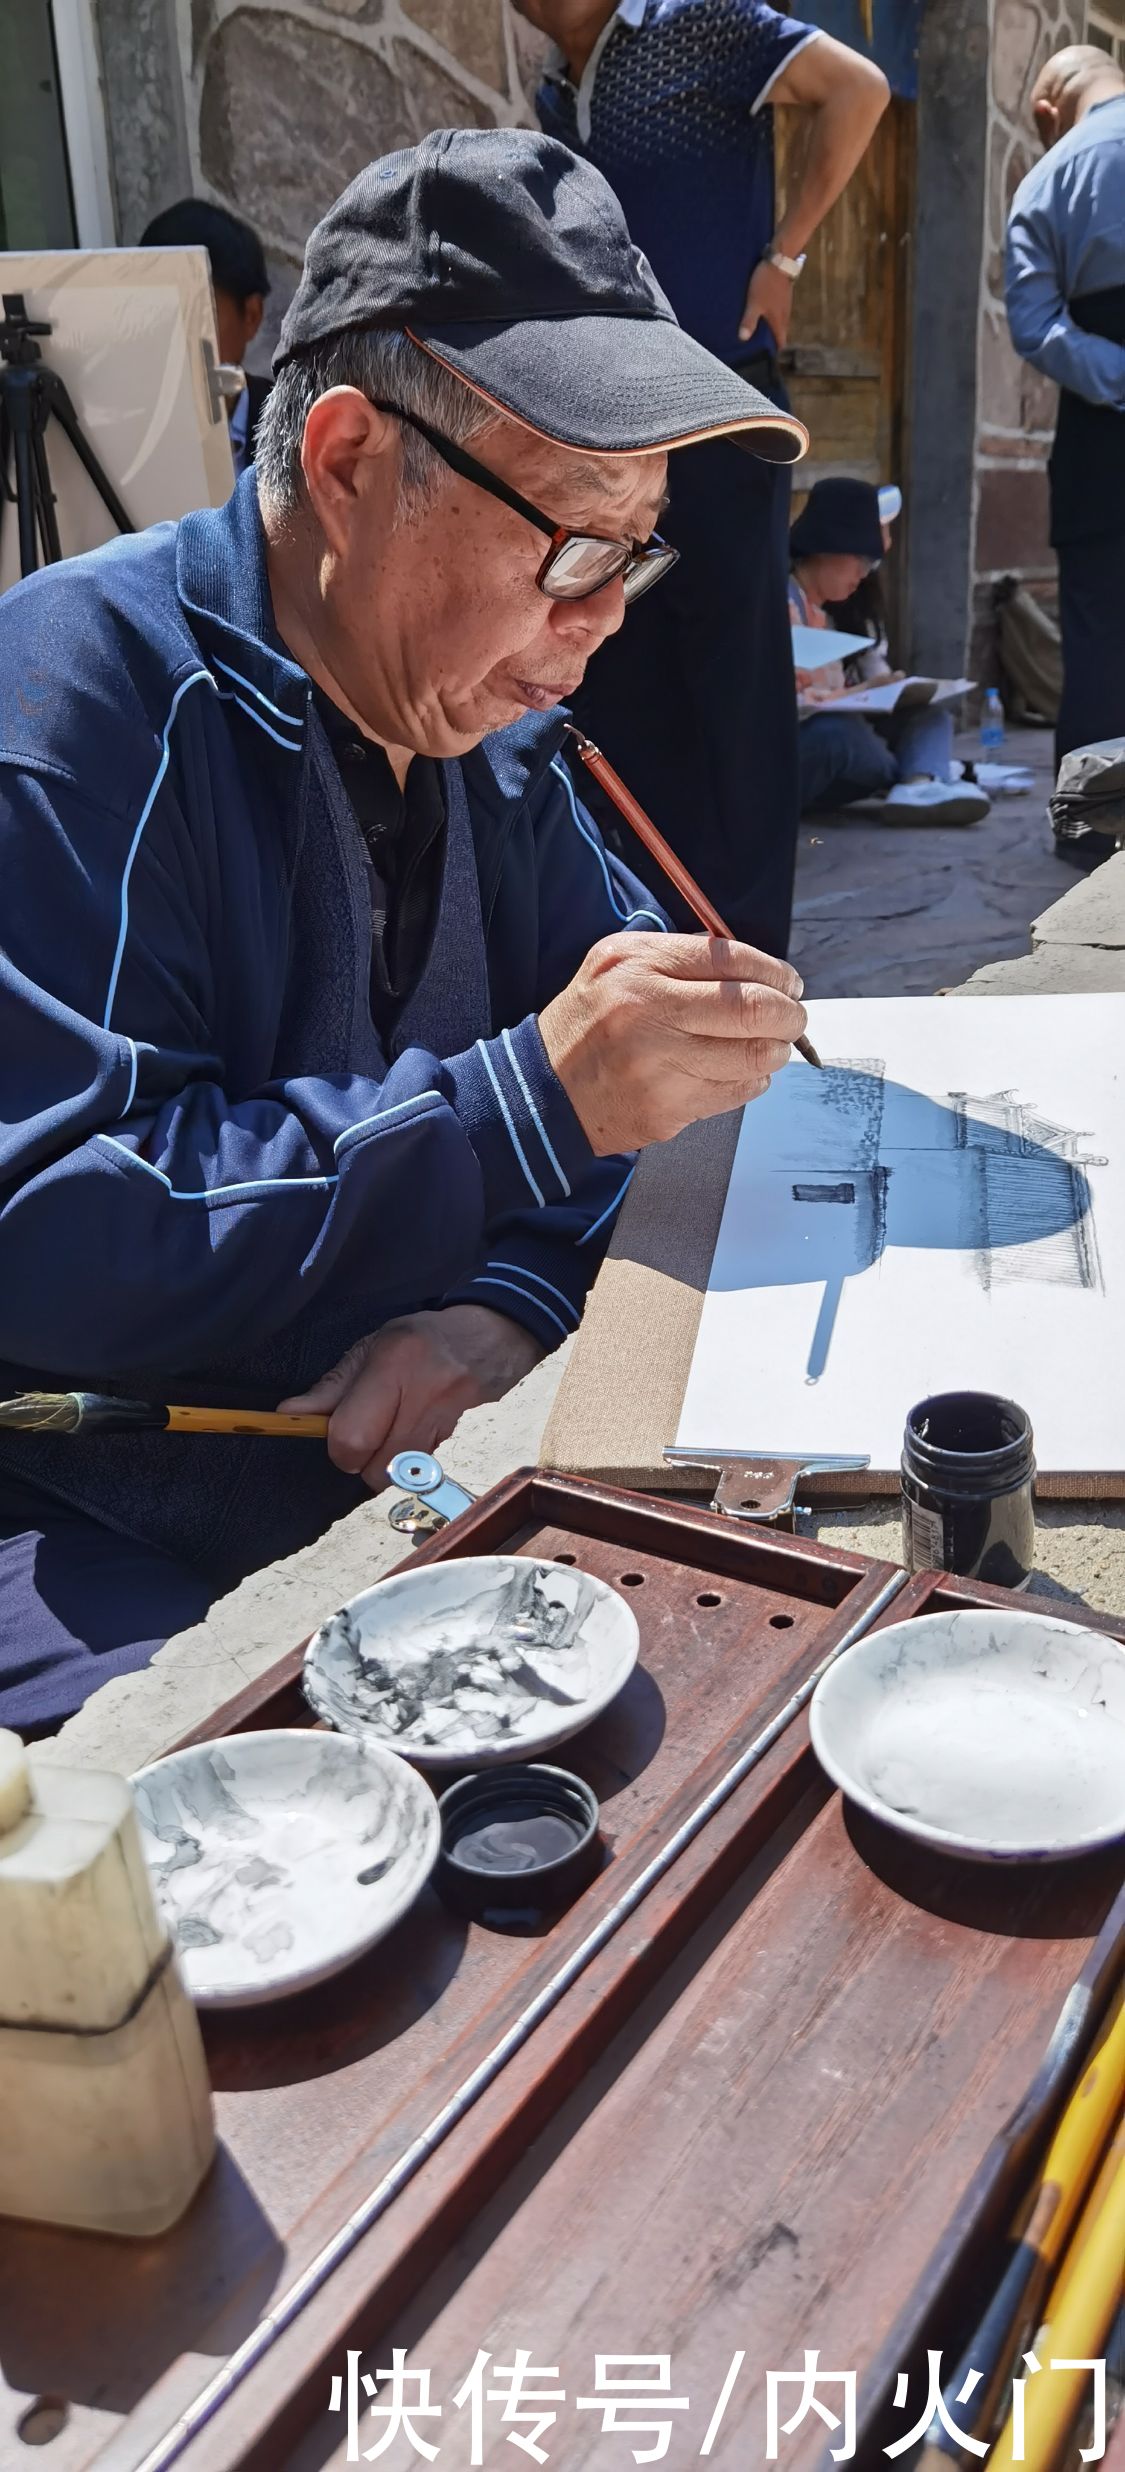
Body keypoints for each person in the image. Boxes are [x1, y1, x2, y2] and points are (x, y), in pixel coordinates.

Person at [0, 130, 808, 1731]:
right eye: (572, 543)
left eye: (633, 557)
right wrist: (520, 1111)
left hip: (370, 1474)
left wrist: (497, 1303)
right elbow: (53, 1233)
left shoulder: (488, 736)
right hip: (80, 1499)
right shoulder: (71, 701)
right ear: (354, 461)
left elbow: (660, 1101)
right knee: (270, 1847)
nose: (594, 626)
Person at [510, 0, 889, 956]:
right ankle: (639, 934)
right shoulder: (557, 80)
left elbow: (858, 88)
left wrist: (785, 255)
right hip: (603, 429)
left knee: (732, 689)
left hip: (716, 411)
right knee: (612, 672)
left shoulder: (702, 21)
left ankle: (745, 956)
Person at [1006, 43, 1125, 869]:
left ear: (1048, 107)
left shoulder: (1051, 175)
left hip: (1099, 437)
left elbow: (1033, 323)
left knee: (1095, 633)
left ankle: (1092, 834)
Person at [790, 478, 989, 823]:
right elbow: (789, 705)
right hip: (808, 743)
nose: (863, 576)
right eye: (861, 562)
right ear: (827, 549)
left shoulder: (832, 613)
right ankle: (919, 774)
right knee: (840, 736)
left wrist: (891, 689)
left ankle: (916, 783)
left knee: (931, 716)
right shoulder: (781, 604)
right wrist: (861, 692)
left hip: (853, 733)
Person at [140, 197, 272, 476]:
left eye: (197, 313)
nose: (177, 335)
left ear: (251, 315)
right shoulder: (126, 439)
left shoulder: (296, 431)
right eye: (161, 313)